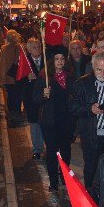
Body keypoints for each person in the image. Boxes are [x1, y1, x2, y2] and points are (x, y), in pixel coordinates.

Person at [70, 52, 104, 187]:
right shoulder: (82, 83)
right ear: (93, 67)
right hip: (90, 134)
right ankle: (90, 197)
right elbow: (73, 107)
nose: (103, 73)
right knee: (91, 167)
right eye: (99, 69)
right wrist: (89, 109)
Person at [33, 46, 76, 192]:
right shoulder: (44, 77)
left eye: (62, 59)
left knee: (66, 151)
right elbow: (35, 99)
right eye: (57, 59)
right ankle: (53, 181)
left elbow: (73, 97)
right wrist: (44, 94)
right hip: (50, 121)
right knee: (52, 151)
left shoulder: (69, 76)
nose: (60, 61)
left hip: (66, 120)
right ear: (52, 61)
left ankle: (64, 176)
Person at [21, 38, 45, 159]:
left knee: (45, 121)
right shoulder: (25, 62)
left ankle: (48, 145)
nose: (38, 49)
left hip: (44, 97)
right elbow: (18, 80)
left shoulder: (46, 60)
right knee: (35, 124)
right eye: (35, 47)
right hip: (31, 99)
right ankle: (37, 148)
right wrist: (27, 78)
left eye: (39, 46)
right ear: (29, 49)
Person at [0, 30, 24, 125]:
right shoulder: (19, 48)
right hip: (16, 76)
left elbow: (0, 63)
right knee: (17, 96)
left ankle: (11, 114)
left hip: (7, 77)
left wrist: (0, 77)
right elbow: (20, 63)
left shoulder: (4, 48)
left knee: (10, 96)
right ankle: (16, 114)